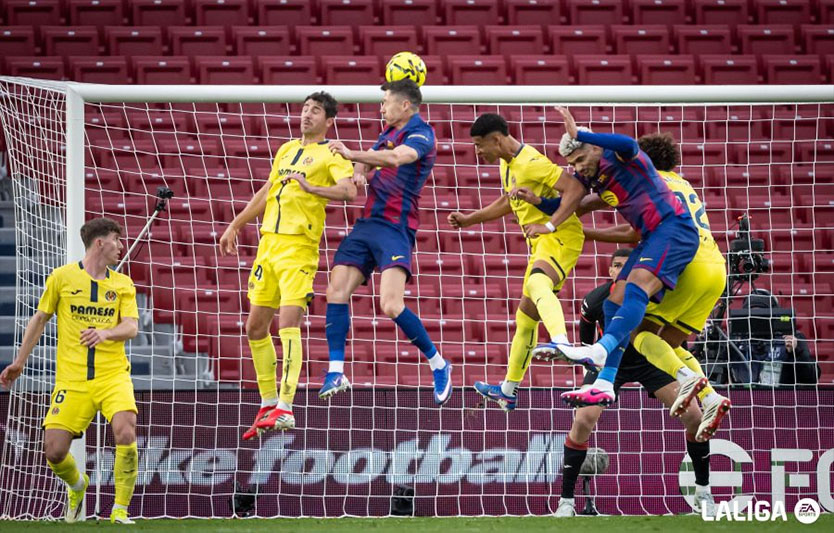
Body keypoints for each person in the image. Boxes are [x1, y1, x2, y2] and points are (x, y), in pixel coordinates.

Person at [525, 131, 731, 441]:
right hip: (715, 267)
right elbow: (582, 201)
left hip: (686, 261)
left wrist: (573, 228)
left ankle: (610, 364)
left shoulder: (644, 179)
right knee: (667, 342)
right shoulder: (682, 184)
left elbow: (625, 227)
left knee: (635, 324)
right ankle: (709, 395)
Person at [219, 92, 356, 440]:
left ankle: (286, 405)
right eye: (305, 108)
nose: (307, 114)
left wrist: (311, 187)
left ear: (329, 121)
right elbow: (268, 191)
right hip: (269, 245)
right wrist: (236, 224)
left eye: (316, 111)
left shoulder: (331, 153)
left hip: (298, 247)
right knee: (254, 327)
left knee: (288, 325)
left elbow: (349, 191)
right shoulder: (285, 150)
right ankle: (267, 402)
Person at [553, 248, 714, 517]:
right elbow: (586, 342)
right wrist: (589, 373)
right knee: (582, 421)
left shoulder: (657, 295)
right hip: (608, 365)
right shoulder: (595, 300)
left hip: (650, 360)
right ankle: (566, 501)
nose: (622, 270)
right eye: (617, 265)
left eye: (628, 265)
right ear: (610, 271)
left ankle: (703, 492)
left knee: (695, 418)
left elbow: (673, 335)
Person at [320, 79, 452, 405]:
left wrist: (351, 153)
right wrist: (358, 168)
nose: (381, 108)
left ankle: (438, 363)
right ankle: (336, 371)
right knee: (335, 290)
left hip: (396, 227)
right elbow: (373, 156)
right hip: (368, 224)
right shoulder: (388, 132)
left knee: (390, 305)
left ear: (405, 105)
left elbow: (394, 158)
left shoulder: (422, 134)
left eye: (385, 102)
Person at [0, 217, 140, 524]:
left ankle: (120, 510)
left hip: (113, 376)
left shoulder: (122, 284)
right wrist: (19, 361)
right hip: (72, 380)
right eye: (116, 240)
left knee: (126, 430)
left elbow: (131, 327)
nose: (121, 246)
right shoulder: (61, 278)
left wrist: (105, 333)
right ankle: (77, 485)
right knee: (54, 451)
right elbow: (40, 319)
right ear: (99, 243)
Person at [446, 113, 585, 410]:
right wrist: (470, 219)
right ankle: (508, 391)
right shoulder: (506, 163)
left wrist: (549, 225)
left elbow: (575, 189)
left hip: (560, 236)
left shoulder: (531, 162)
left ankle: (562, 343)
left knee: (537, 283)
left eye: (479, 144)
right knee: (525, 318)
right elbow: (508, 201)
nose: (477, 151)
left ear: (496, 140)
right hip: (541, 242)